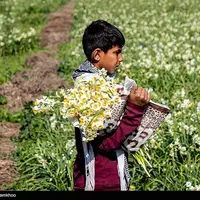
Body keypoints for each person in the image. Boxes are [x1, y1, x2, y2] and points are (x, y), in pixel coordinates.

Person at [71, 20, 151, 191]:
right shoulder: (90, 89)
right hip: (100, 182)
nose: (121, 58)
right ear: (98, 55)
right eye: (117, 52)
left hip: (107, 177)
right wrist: (135, 108)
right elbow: (106, 143)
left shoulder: (100, 82)